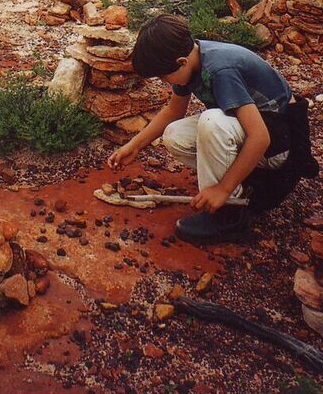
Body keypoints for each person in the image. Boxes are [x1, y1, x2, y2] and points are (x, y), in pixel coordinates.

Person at [107, 14, 294, 244]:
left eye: (164, 76)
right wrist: (134, 146)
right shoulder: (192, 57)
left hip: (280, 143)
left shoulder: (219, 70)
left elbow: (260, 137)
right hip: (254, 128)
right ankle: (241, 181)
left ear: (181, 62)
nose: (165, 81)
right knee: (174, 135)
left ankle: (227, 216)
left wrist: (223, 189)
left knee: (211, 122)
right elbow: (173, 111)